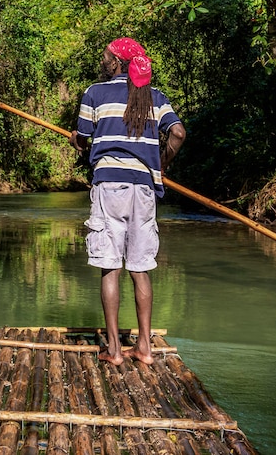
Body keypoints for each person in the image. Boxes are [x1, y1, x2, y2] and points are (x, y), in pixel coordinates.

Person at [69, 37, 186, 365]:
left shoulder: (95, 93)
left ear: (118, 61)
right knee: (140, 268)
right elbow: (177, 133)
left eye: (106, 56)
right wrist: (162, 164)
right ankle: (145, 349)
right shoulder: (156, 98)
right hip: (144, 189)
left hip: (109, 187)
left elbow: (84, 136)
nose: (103, 60)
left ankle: (115, 350)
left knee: (110, 267)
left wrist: (76, 141)